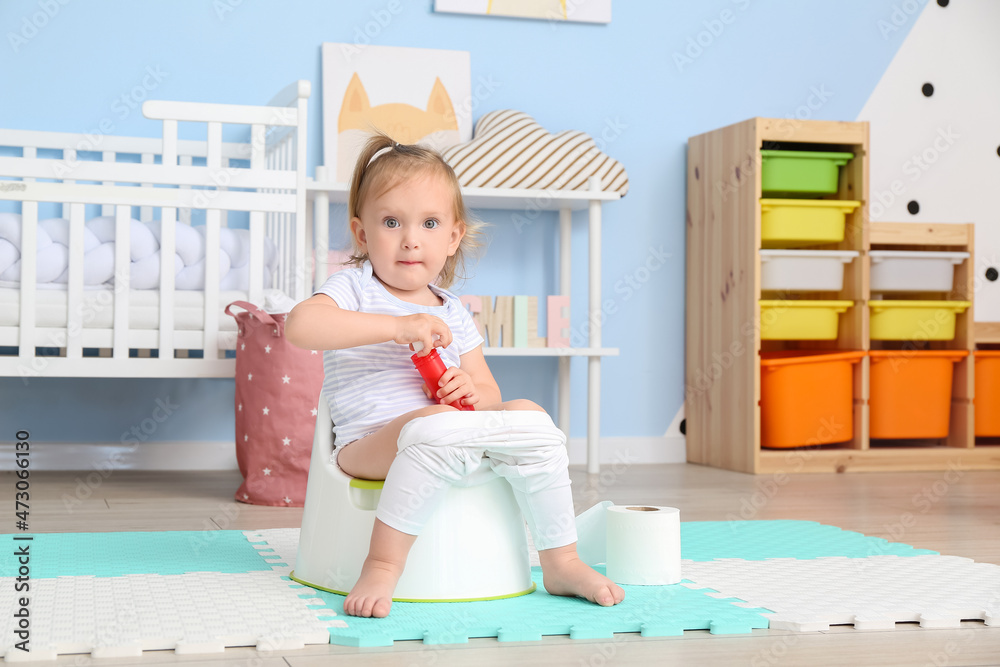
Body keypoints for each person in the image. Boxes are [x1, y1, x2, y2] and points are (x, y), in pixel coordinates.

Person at [285, 133, 625, 618]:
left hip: (451, 433)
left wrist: (473, 392)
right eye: (391, 222)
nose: (410, 238)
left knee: (533, 419)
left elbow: (488, 390)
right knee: (434, 426)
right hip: (372, 444)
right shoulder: (354, 287)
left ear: (453, 236)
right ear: (362, 235)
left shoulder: (453, 312)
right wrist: (398, 327)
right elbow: (301, 326)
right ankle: (382, 564)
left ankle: (560, 560)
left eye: (428, 223)